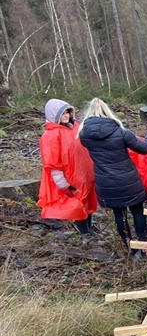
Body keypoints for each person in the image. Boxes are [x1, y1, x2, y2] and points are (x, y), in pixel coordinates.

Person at [78, 98, 147, 257]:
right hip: (128, 180)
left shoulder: (84, 135)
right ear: (107, 112)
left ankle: (129, 247)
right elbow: (144, 149)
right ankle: (143, 244)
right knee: (137, 211)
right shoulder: (121, 132)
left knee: (119, 214)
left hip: (105, 182)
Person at [37, 99, 98, 235]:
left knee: (87, 201)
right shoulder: (51, 135)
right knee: (77, 204)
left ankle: (90, 229)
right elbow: (52, 162)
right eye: (62, 113)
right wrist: (62, 183)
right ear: (54, 115)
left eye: (67, 112)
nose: (66, 116)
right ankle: (85, 235)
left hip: (86, 174)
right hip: (71, 177)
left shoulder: (76, 127)